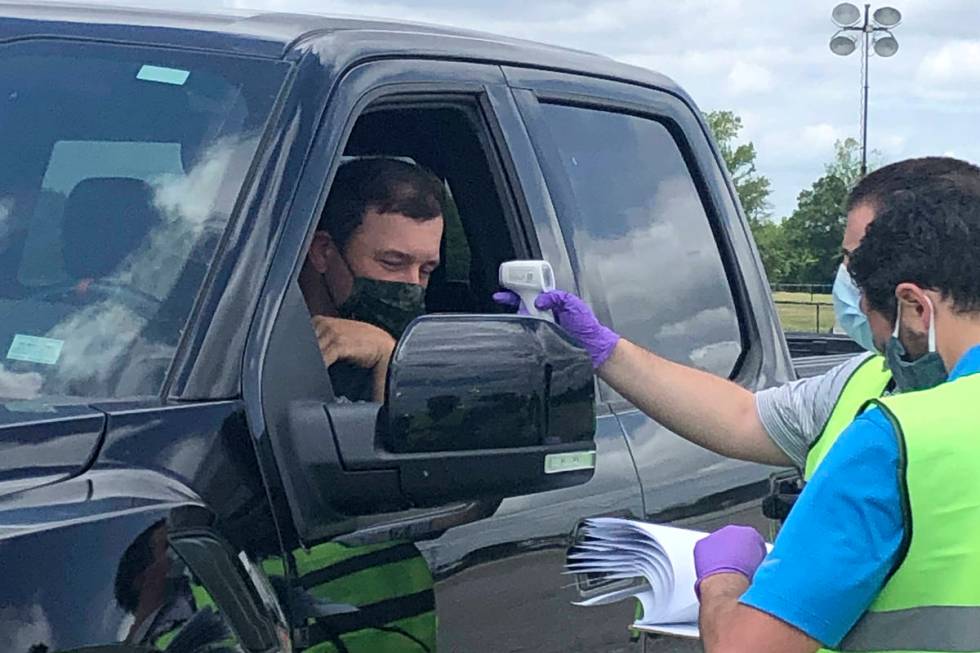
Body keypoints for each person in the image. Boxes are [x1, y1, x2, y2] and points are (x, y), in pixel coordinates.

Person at [495, 157, 980, 488]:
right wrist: (603, 348)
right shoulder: (866, 383)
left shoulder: (895, 416)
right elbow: (742, 417)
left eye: (857, 264)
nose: (851, 283)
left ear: (914, 302)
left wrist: (726, 581)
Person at [690, 165, 980, 652]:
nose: (883, 350)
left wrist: (723, 580)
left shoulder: (899, 439)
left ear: (914, 307)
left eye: (872, 318)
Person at [300, 157, 445, 401]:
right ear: (323, 251)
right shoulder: (249, 342)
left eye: (426, 270)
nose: (412, 284)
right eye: (393, 263)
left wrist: (387, 359)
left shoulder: (432, 359)